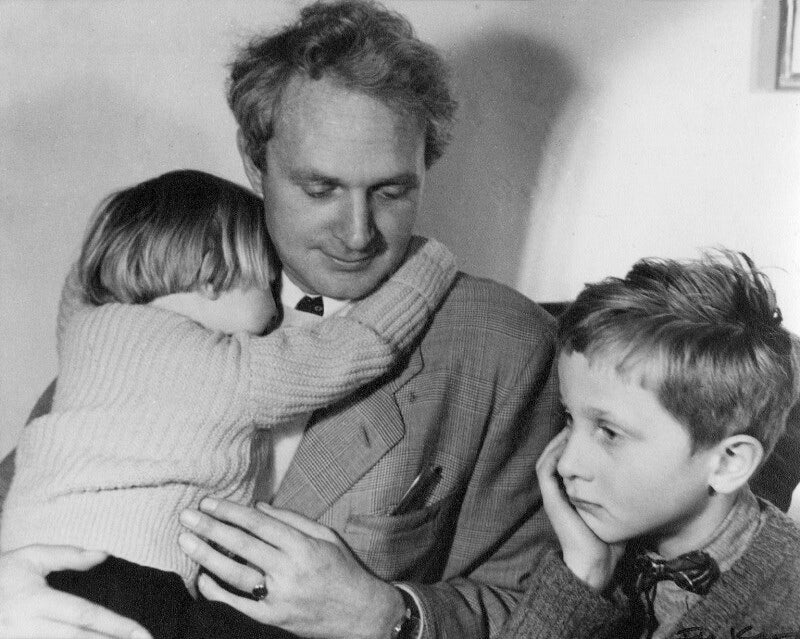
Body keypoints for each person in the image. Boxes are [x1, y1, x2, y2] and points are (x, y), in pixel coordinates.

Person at [0, 3, 563, 638]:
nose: (357, 235)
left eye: (392, 192)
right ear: (253, 159)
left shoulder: (503, 346)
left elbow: (555, 610)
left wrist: (387, 615)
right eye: (319, 189)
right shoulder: (173, 278)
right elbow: (36, 487)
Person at [0, 169, 457, 639]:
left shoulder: (83, 331)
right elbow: (359, 345)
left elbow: (78, 284)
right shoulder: (228, 368)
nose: (277, 309)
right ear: (213, 276)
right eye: (267, 279)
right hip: (119, 580)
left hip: (27, 572)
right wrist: (431, 260)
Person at [498, 250, 800, 639]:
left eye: (609, 432)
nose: (566, 463)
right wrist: (580, 574)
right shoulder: (600, 535)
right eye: (570, 419)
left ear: (728, 463)